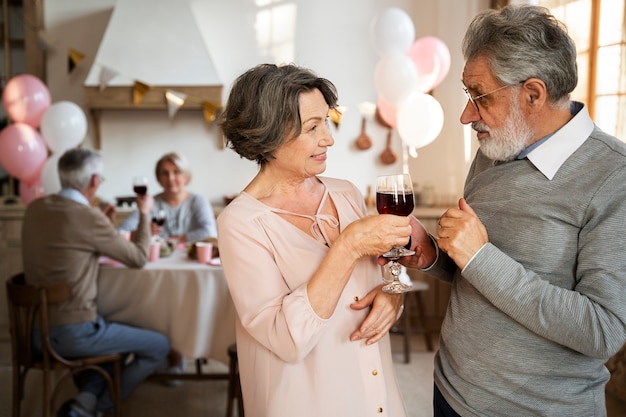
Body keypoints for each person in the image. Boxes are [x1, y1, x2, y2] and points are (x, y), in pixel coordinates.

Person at [400, 5, 626, 417]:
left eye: (479, 96)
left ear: (533, 94)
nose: (467, 115)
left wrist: (482, 258)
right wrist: (434, 255)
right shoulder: (493, 150)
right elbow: (476, 272)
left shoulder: (614, 176)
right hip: (449, 392)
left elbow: (602, 330)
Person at [217, 63, 412, 417]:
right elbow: (286, 340)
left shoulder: (346, 193)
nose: (329, 138)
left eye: (327, 121)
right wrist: (348, 245)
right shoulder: (240, 223)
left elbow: (388, 271)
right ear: (269, 135)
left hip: (376, 398)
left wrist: (393, 296)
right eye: (312, 127)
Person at [22, 148, 170, 417]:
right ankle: (101, 409)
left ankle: (83, 404)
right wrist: (145, 213)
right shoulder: (86, 217)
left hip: (31, 332)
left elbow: (66, 243)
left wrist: (100, 221)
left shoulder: (34, 209)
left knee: (115, 334)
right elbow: (137, 257)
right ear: (93, 181)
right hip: (71, 335)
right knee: (158, 345)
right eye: (100, 179)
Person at [118, 151, 217, 243]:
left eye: (176, 172)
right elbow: (120, 232)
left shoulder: (198, 201)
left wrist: (174, 240)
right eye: (165, 173)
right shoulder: (150, 203)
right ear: (158, 178)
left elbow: (210, 232)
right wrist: (143, 231)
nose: (170, 178)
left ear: (186, 177)